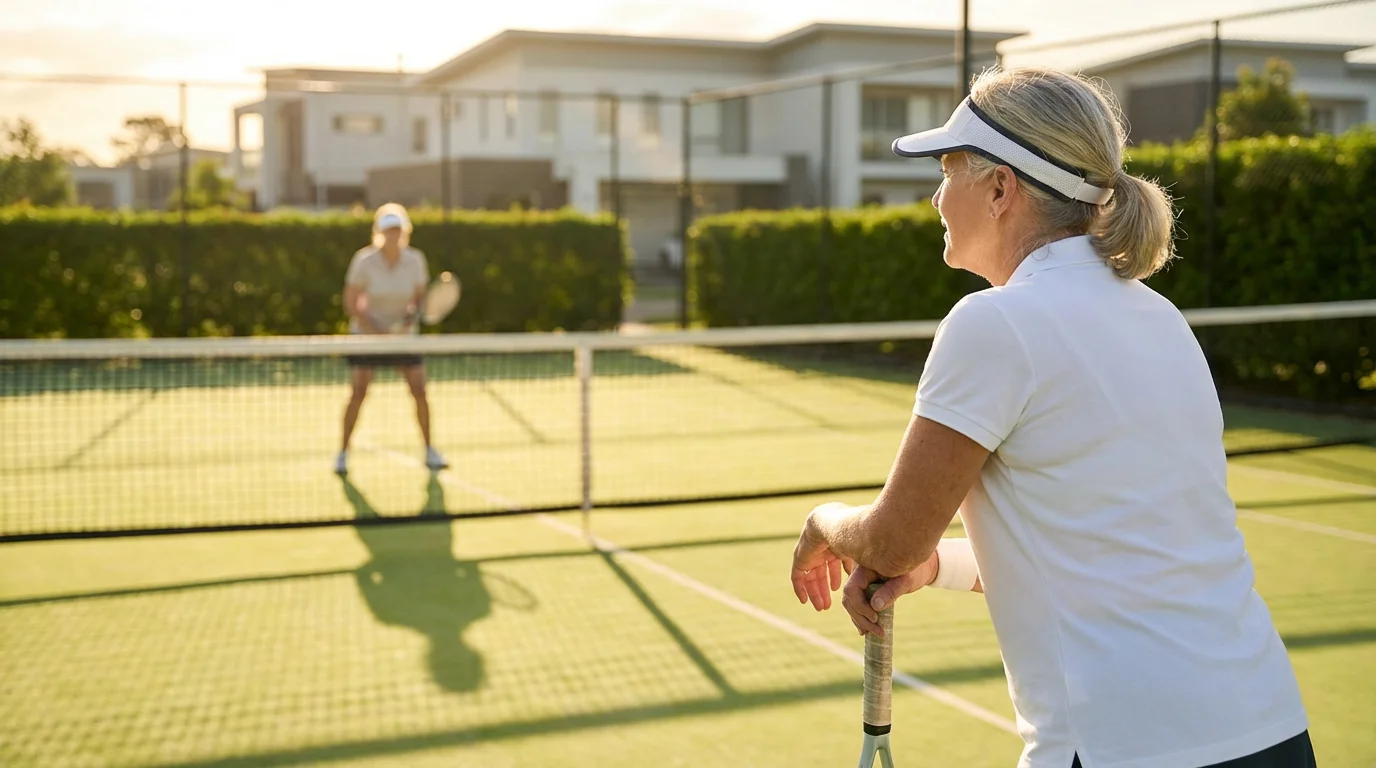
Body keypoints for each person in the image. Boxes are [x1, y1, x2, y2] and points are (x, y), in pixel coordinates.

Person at [789, 67, 1314, 768]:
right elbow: (1095, 547)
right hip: (1271, 730)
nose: (937, 197)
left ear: (1001, 189)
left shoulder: (993, 323)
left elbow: (888, 544)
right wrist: (934, 569)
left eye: (950, 171)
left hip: (1123, 750)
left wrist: (823, 520)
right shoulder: (1160, 316)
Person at [336, 203, 448, 475]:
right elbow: (351, 303)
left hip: (404, 338)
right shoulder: (363, 260)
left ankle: (430, 449)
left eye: (397, 230)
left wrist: (408, 318)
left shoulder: (415, 260)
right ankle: (342, 453)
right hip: (366, 336)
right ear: (379, 232)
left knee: (419, 390)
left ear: (404, 232)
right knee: (359, 392)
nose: (393, 235)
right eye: (388, 230)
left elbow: (419, 300)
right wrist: (376, 331)